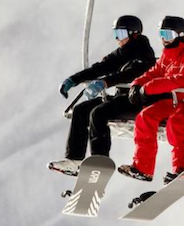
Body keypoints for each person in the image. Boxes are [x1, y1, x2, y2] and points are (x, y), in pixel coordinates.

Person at [118, 16, 184, 183]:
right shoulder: (169, 53)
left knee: (176, 121)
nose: (163, 40)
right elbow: (156, 71)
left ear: (180, 35)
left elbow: (180, 80)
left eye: (167, 35)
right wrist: (137, 84)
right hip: (180, 101)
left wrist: (148, 88)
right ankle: (142, 167)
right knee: (146, 116)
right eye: (161, 35)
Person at [48, 14, 156, 176]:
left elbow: (131, 75)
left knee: (98, 113)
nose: (117, 39)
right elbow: (102, 67)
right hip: (121, 98)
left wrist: (105, 83)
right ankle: (74, 159)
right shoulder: (123, 52)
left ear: (134, 34)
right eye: (115, 35)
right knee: (81, 110)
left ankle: (100, 160)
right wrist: (74, 80)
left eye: (121, 35)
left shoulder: (144, 53)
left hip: (137, 100)